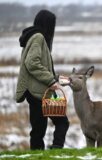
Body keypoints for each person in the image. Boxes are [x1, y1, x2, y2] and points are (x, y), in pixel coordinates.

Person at [16, 10, 69, 150]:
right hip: (38, 92)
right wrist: (51, 81)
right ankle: (53, 151)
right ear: (48, 24)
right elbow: (32, 63)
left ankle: (46, 153)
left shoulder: (34, 37)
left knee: (40, 130)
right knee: (58, 123)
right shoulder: (38, 37)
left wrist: (57, 78)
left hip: (37, 91)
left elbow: (39, 65)